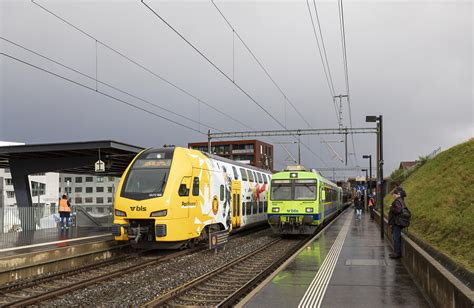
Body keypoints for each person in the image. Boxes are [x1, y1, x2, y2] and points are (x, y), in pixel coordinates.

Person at [388, 187, 405, 259]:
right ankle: (395, 252)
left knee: (396, 238)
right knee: (395, 238)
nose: (393, 196)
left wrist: (391, 207)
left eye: (393, 194)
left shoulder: (397, 201)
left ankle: (397, 253)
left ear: (396, 194)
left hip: (397, 223)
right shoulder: (400, 200)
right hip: (396, 222)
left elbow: (398, 210)